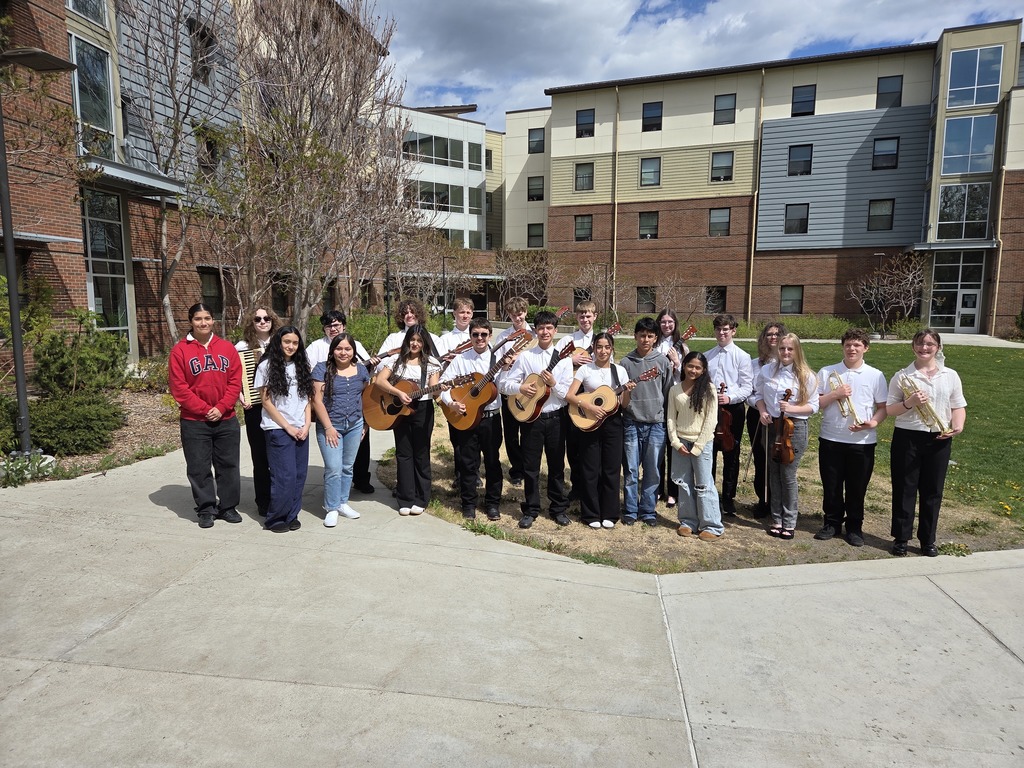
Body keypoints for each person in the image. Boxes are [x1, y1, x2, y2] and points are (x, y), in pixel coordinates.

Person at [885, 329, 966, 557]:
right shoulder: (902, 376)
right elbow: (890, 410)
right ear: (913, 347)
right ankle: (901, 538)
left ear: (938, 347)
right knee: (904, 489)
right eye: (920, 344)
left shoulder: (950, 375)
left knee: (933, 491)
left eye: (930, 344)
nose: (925, 348)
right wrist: (909, 402)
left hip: (939, 437)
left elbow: (958, 405)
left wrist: (957, 426)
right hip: (907, 437)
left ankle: (928, 540)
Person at [169, 302, 243, 529]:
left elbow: (235, 381)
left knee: (228, 465)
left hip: (226, 418)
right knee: (199, 467)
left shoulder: (227, 348)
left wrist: (221, 407)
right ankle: (206, 509)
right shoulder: (180, 351)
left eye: (207, 318)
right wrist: (204, 410)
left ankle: (228, 507)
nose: (204, 323)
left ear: (213, 320)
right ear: (190, 322)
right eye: (198, 319)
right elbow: (179, 388)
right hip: (194, 422)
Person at [498, 310, 573, 529]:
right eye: (541, 328)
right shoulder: (526, 357)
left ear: (556, 331)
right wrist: (520, 387)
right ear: (535, 331)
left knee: (557, 465)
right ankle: (531, 508)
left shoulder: (564, 360)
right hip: (531, 419)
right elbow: (504, 384)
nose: (545, 332)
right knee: (530, 467)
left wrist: (553, 384)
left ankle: (558, 508)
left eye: (549, 328)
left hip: (556, 418)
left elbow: (566, 394)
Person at [814, 328, 889, 547]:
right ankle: (831, 523)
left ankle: (855, 527)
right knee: (831, 485)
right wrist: (834, 395)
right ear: (842, 347)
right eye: (848, 344)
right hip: (831, 437)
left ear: (866, 348)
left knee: (857, 487)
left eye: (857, 345)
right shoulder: (827, 372)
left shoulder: (875, 375)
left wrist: (873, 423)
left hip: (863, 442)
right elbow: (815, 404)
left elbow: (883, 407)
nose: (852, 349)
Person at [565, 332, 634, 528]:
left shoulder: (619, 371)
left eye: (606, 347)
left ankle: (610, 514)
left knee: (611, 469)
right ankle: (590, 514)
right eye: (599, 347)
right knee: (590, 468)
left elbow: (623, 404)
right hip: (589, 422)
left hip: (612, 423)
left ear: (612, 349)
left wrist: (628, 391)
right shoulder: (585, 370)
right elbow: (570, 395)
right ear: (593, 348)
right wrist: (589, 407)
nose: (602, 351)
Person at [754, 333, 819, 540]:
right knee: (773, 471)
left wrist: (792, 407)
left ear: (797, 351)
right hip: (773, 425)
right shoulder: (767, 370)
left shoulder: (806, 375)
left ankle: (789, 520)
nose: (786, 352)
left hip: (794, 427)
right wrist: (763, 411)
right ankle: (776, 518)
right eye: (782, 348)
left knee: (788, 474)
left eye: (790, 349)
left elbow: (813, 406)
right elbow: (758, 395)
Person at [440, 317, 504, 521]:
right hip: (467, 418)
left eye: (483, 334)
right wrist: (451, 403)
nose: (479, 338)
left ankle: (493, 504)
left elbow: (507, 385)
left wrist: (509, 369)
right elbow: (443, 385)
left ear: (490, 335)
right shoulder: (461, 359)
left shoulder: (499, 359)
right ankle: (468, 504)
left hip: (491, 419)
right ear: (470, 336)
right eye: (475, 334)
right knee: (468, 464)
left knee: (493, 462)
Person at [375, 325, 442, 516]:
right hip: (400, 410)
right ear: (407, 341)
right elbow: (380, 381)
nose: (415, 343)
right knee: (404, 453)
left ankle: (421, 497)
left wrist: (441, 388)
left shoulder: (431, 364)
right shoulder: (396, 360)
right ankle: (405, 497)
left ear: (424, 343)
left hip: (422, 410)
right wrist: (398, 392)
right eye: (412, 339)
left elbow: (434, 388)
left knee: (421, 452)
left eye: (419, 341)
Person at [307, 310, 376, 494]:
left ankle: (361, 480)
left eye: (336, 324)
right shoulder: (315, 347)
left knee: (355, 456)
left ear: (343, 325)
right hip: (330, 410)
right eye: (329, 325)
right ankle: (333, 501)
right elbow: (307, 370)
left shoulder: (356, 344)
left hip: (354, 411)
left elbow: (363, 374)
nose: (333, 328)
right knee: (334, 466)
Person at [254, 326, 314, 533]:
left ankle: (291, 514)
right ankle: (275, 518)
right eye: (286, 341)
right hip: (278, 428)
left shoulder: (302, 365)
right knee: (284, 476)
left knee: (299, 475)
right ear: (278, 343)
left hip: (301, 428)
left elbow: (307, 399)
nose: (290, 346)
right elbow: (266, 402)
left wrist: (306, 425)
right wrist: (288, 427)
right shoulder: (266, 366)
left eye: (295, 343)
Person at [312, 333, 371, 527]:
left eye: (347, 349)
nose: (343, 352)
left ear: (353, 351)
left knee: (347, 467)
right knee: (333, 468)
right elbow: (317, 401)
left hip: (354, 425)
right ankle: (331, 507)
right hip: (331, 426)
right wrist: (328, 427)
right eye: (339, 348)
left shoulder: (361, 370)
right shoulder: (322, 369)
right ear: (332, 350)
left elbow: (365, 398)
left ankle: (343, 502)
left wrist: (365, 423)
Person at [620, 317, 674, 526]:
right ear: (635, 336)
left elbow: (667, 391)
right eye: (641, 335)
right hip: (632, 422)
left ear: (655, 338)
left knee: (652, 470)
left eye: (650, 336)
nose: (645, 339)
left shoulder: (661, 362)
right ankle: (631, 510)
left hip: (656, 424)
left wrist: (665, 421)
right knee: (632, 470)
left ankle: (648, 510)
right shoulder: (626, 363)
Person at [667, 351, 722, 540]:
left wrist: (698, 446)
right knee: (683, 484)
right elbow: (670, 419)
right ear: (683, 366)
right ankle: (688, 521)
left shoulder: (709, 390)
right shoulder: (675, 390)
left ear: (704, 370)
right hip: (681, 443)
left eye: (698, 367)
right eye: (690, 366)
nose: (693, 370)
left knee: (704, 484)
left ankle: (711, 525)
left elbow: (710, 421)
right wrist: (675, 442)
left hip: (702, 443)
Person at [704, 313, 753, 516]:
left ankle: (729, 497)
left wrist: (730, 398)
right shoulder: (708, 355)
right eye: (718, 329)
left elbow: (747, 386)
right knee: (710, 451)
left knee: (731, 452)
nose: (722, 332)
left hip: (733, 409)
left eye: (726, 329)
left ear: (733, 331)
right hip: (712, 408)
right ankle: (710, 492)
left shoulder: (742, 356)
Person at [234, 306, 280, 517]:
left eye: (266, 318)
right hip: (254, 406)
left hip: (281, 407)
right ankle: (263, 501)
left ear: (273, 320)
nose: (262, 322)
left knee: (279, 455)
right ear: (251, 323)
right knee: (260, 456)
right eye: (258, 319)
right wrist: (238, 395)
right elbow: (232, 376)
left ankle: (280, 496)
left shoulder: (282, 342)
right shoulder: (241, 347)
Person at [557, 300, 598, 499]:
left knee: (590, 443)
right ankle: (576, 485)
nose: (585, 319)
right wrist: (570, 360)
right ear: (577, 318)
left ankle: (591, 485)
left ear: (595, 317)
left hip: (591, 396)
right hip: (569, 396)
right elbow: (553, 362)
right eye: (582, 316)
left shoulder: (600, 341)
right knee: (572, 444)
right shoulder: (567, 341)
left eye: (588, 315)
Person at [746, 322, 785, 518]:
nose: (773, 337)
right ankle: (764, 500)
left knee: (780, 459)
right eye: (769, 334)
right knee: (761, 459)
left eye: (777, 334)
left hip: (783, 417)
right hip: (758, 415)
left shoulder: (788, 362)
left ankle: (780, 502)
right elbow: (749, 392)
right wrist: (760, 407)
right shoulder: (755, 364)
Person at [493, 296, 533, 487]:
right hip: (509, 389)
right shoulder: (503, 337)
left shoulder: (534, 335)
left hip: (529, 389)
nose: (518, 318)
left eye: (521, 314)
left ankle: (528, 467)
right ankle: (516, 470)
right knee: (510, 432)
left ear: (526, 312)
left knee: (528, 432)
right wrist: (506, 363)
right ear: (508, 315)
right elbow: (497, 364)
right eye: (514, 315)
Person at [655, 308, 690, 508]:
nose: (666, 325)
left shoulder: (682, 348)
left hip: (674, 400)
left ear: (675, 324)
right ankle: (658, 488)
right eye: (663, 322)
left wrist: (677, 364)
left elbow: (687, 379)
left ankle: (673, 491)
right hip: (656, 399)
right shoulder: (653, 344)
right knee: (657, 446)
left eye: (670, 322)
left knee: (673, 446)